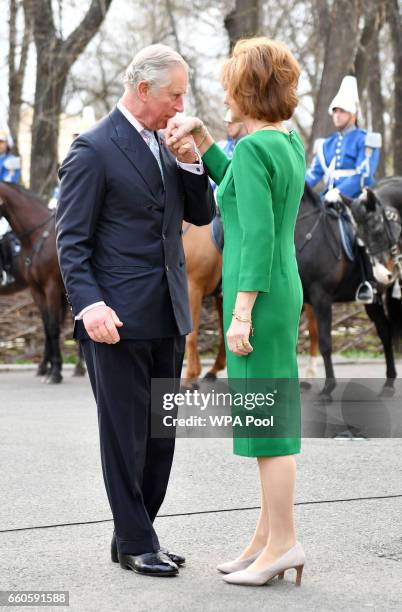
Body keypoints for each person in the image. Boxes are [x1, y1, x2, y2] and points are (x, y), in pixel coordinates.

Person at [55, 44, 215, 578]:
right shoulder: (92, 149)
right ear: (142, 89)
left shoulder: (169, 143)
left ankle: (135, 533)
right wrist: (89, 305)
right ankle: (136, 538)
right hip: (114, 322)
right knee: (125, 437)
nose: (180, 105)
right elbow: (70, 243)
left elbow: (201, 213)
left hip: (169, 313)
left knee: (161, 438)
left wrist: (191, 161)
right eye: (175, 95)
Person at [167, 37, 306, 587]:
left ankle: (285, 544)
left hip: (259, 294)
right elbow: (241, 192)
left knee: (269, 432)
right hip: (281, 289)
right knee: (268, 426)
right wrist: (206, 143)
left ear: (246, 89)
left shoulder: (254, 149)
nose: (224, 95)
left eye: (230, 85)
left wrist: (241, 311)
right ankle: (267, 539)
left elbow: (258, 237)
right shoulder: (284, 142)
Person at [306, 75, 381, 303]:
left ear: (353, 114)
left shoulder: (366, 139)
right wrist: (294, 189)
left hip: (356, 197)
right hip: (327, 198)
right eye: (335, 111)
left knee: (359, 231)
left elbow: (364, 174)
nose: (337, 115)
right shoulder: (326, 144)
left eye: (342, 111)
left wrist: (339, 191)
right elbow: (313, 174)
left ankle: (368, 281)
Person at [0, 128, 21, 285]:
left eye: (1, 142)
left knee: (2, 233)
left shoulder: (12, 161)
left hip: (6, 204)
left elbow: (8, 184)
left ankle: (7, 271)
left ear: (7, 144)